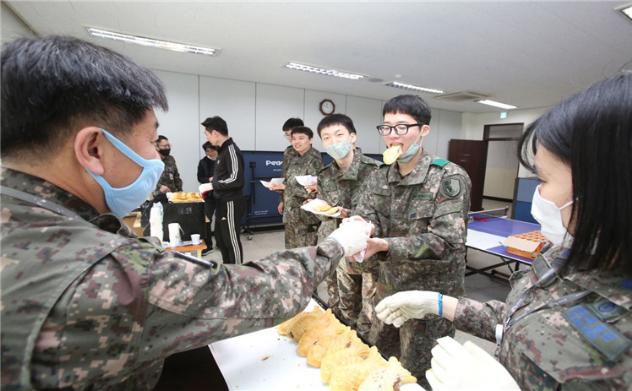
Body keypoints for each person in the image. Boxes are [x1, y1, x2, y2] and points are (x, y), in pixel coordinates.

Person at [0, 36, 370, 390]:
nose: (155, 157)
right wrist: (335, 245)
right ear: (95, 149)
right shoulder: (96, 270)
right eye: (149, 141)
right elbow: (242, 294)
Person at [375, 67, 632, 389]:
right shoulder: (565, 254)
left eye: (543, 180)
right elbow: (520, 318)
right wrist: (439, 303)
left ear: (615, 189)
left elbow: (446, 240)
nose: (538, 195)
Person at [352, 94, 471, 387]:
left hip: (430, 297)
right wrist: (360, 227)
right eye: (387, 128)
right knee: (383, 360)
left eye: (402, 127)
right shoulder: (379, 176)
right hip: (388, 289)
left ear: (424, 131)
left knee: (421, 371)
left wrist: (386, 245)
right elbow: (368, 216)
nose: (393, 136)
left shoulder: (448, 177)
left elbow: (445, 241)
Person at [314, 114, 382, 334]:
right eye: (326, 138)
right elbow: (324, 213)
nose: (333, 142)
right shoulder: (325, 175)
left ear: (353, 137)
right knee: (342, 309)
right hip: (338, 251)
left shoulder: (377, 171)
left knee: (370, 316)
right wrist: (319, 207)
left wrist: (347, 214)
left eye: (339, 135)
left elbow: (384, 215)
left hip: (368, 254)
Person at [201, 116, 245, 265]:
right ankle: (228, 271)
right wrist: (213, 184)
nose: (207, 137)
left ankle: (238, 274)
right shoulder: (222, 151)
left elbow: (236, 179)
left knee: (231, 240)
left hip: (230, 202)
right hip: (221, 201)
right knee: (222, 240)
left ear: (215, 133)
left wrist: (213, 185)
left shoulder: (231, 150)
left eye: (207, 134)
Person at [282, 126, 324, 249]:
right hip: (291, 215)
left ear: (310, 140)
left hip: (305, 217)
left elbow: (315, 190)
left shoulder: (314, 160)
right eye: (294, 138)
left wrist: (286, 187)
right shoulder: (294, 158)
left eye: (301, 138)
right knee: (290, 252)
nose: (296, 142)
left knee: (305, 254)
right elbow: (289, 182)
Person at [275, 117, 304, 215]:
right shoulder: (288, 151)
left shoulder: (312, 154)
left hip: (304, 207)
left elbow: (314, 187)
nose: (288, 138)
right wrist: (282, 200)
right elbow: (285, 177)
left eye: (288, 134)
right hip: (289, 204)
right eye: (286, 135)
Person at [197, 141, 218, 254]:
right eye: (207, 151)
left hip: (221, 194)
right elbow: (200, 177)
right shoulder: (203, 162)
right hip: (208, 195)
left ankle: (221, 243)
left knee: (221, 220)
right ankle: (208, 245)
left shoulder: (222, 160)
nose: (210, 153)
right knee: (206, 220)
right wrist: (208, 179)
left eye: (212, 150)